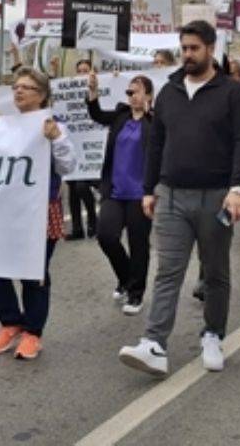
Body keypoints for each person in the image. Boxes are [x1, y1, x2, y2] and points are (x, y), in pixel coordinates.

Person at [118, 20, 240, 377]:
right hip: (172, 195)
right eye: (184, 48)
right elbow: (157, 144)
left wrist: (238, 188)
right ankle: (154, 343)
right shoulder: (169, 92)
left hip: (216, 197)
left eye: (194, 48)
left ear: (211, 49)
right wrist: (150, 189)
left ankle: (212, 334)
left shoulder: (233, 93)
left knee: (214, 271)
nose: (188, 55)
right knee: (168, 271)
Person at [0, 68, 77, 361]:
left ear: (42, 95)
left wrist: (56, 140)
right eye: (16, 87)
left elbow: (68, 167)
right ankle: (10, 322)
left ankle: (33, 332)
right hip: (3, 207)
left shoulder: (52, 125)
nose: (19, 92)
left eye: (26, 87)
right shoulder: (4, 124)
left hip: (38, 208)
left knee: (33, 272)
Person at [86, 72, 155, 314]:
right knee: (106, 236)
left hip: (141, 194)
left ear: (148, 95)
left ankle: (136, 294)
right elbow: (96, 115)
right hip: (114, 191)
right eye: (128, 92)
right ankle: (125, 277)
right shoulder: (120, 115)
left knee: (138, 245)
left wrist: (149, 112)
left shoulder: (154, 122)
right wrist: (93, 92)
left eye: (135, 91)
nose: (131, 96)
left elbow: (163, 138)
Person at [65, 60, 100, 240]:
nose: (81, 74)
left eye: (85, 71)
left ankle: (93, 221)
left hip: (92, 149)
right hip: (75, 147)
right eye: (79, 71)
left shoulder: (98, 89)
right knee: (72, 188)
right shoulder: (70, 90)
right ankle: (77, 228)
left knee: (81, 186)